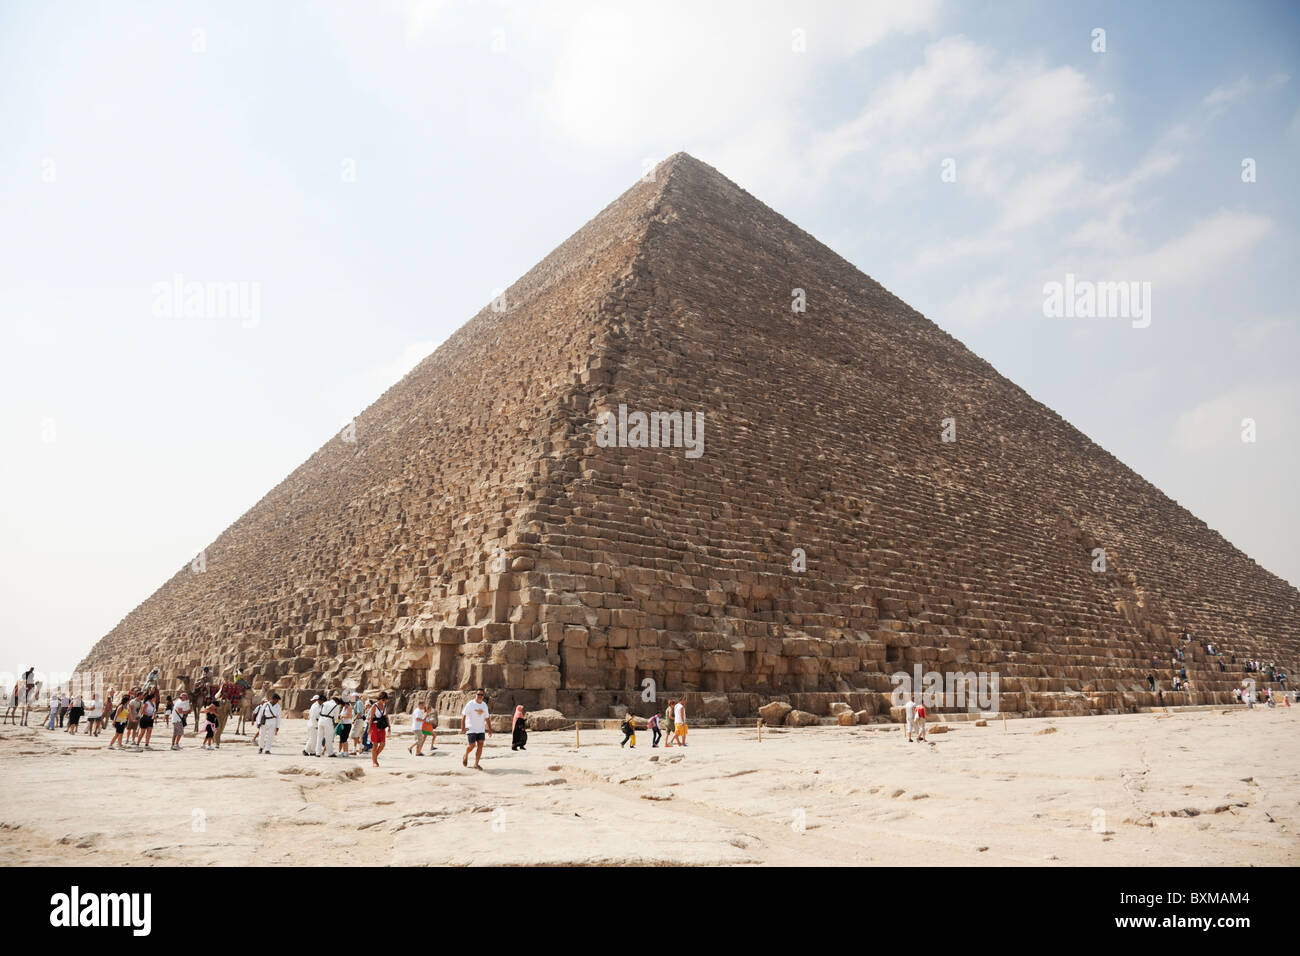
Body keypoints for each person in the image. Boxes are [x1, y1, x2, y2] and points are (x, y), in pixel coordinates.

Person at [461, 689, 490, 770]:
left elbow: (487, 717)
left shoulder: (484, 705)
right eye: (478, 694)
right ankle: (466, 755)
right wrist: (462, 727)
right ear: (476, 695)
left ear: (483, 696)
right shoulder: (470, 704)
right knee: (472, 745)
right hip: (471, 728)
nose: (479, 696)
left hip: (481, 729)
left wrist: (490, 729)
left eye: (481, 695)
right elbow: (463, 716)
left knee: (480, 745)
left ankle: (476, 764)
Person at [368, 692, 390, 767]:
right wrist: (369, 728)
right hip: (375, 725)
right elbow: (371, 718)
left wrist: (389, 726)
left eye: (385, 700)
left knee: (383, 744)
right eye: (383, 700)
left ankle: (374, 757)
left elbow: (386, 716)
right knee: (375, 744)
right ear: (380, 699)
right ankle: (374, 761)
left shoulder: (385, 706)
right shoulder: (374, 706)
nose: (384, 701)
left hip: (382, 726)